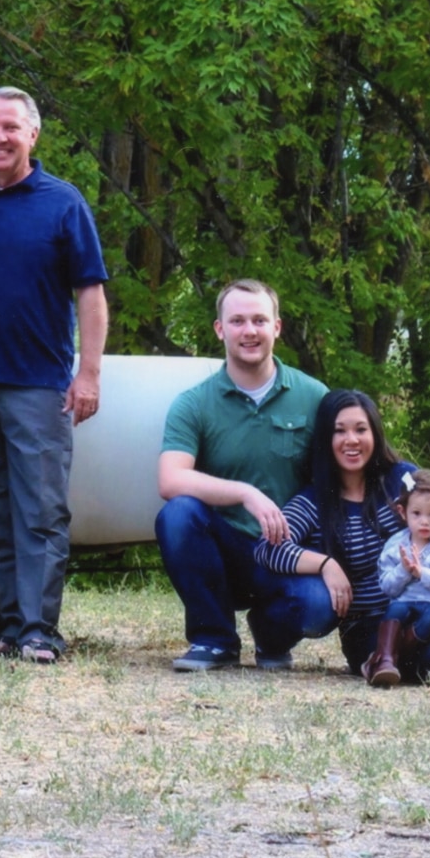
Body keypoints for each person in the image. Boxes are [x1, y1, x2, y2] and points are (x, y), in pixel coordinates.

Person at [0, 87, 108, 664]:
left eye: (11, 127)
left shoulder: (63, 203)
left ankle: (40, 631)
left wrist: (88, 374)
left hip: (39, 386)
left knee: (40, 512)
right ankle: (10, 629)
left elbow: (90, 293)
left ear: (33, 134)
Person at [248, 391, 430, 682]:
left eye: (361, 429)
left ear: (375, 433)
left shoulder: (402, 479)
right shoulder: (314, 500)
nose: (352, 440)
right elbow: (268, 548)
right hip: (375, 626)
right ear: (325, 438)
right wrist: (325, 565)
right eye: (340, 431)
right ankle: (382, 661)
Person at [155, 279, 329, 671]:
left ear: (277, 328)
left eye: (259, 320)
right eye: (237, 321)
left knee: (321, 606)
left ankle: (271, 635)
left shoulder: (315, 397)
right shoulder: (193, 403)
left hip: (290, 551)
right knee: (178, 515)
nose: (249, 331)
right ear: (220, 329)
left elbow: (351, 470)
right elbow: (170, 479)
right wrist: (245, 493)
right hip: (224, 551)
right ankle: (213, 639)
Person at [369, 470, 430, 686]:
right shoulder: (396, 544)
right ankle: (385, 660)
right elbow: (388, 588)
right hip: (404, 605)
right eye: (417, 513)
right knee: (393, 610)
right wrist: (404, 570)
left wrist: (421, 572)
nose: (425, 522)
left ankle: (388, 657)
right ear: (403, 513)